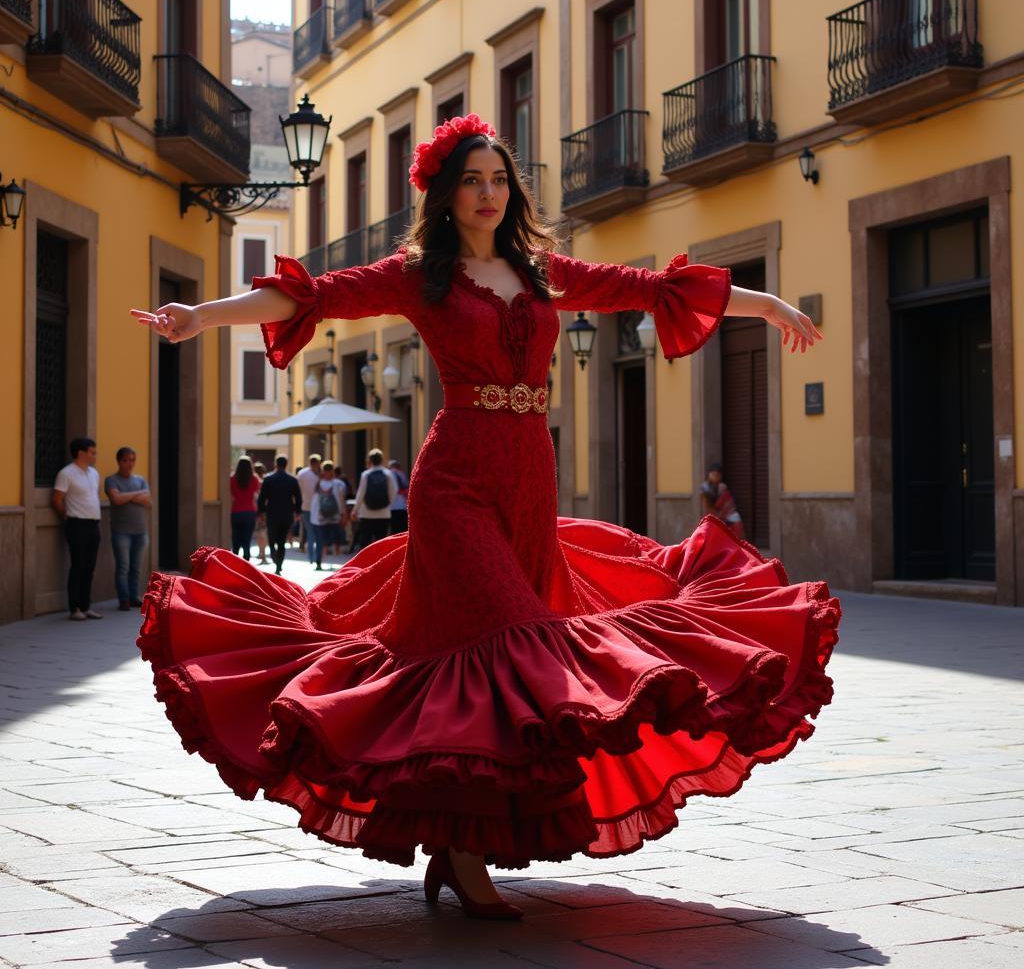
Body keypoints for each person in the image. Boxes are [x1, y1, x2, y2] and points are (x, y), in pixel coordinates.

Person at [132, 113, 836, 920]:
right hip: (457, 479)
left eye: (499, 179)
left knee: (494, 650)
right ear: (445, 192)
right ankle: (466, 857)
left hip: (530, 479)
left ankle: (458, 843)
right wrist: (200, 316)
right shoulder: (419, 275)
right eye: (472, 179)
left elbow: (647, 287)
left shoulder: (540, 271)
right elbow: (313, 296)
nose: (489, 193)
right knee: (511, 638)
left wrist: (767, 303)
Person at [53, 437, 103, 622]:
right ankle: (74, 608)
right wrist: (69, 517)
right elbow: (57, 500)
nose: (95, 455)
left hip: (93, 524)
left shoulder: (94, 473)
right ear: (81, 453)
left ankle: (85, 606)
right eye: (92, 452)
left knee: (89, 567)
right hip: (77, 524)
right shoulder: (66, 473)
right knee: (78, 565)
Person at [104, 446, 151, 611]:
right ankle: (123, 599)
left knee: (136, 567)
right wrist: (137, 494)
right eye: (125, 460)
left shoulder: (140, 479)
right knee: (123, 566)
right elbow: (116, 499)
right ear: (118, 461)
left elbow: (148, 502)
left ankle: (133, 597)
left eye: (132, 460)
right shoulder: (111, 480)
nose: (129, 463)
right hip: (121, 531)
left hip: (140, 531)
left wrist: (127, 496)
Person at [257, 456, 303, 574]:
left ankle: (274, 556)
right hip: (287, 514)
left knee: (272, 538)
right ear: (286, 464)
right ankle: (279, 564)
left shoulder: (268, 479)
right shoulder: (292, 480)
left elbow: (262, 498)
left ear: (275, 464)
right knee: (282, 540)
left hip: (272, 513)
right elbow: (298, 498)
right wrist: (298, 512)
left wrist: (260, 512)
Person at [350, 449, 397, 553]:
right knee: (381, 542)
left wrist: (355, 510)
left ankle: (366, 565)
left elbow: (360, 494)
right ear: (382, 460)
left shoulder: (366, 474)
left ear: (370, 461)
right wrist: (388, 502)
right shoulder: (388, 474)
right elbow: (394, 492)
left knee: (365, 542)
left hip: (366, 514)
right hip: (383, 513)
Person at [309, 459, 346, 571]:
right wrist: (344, 514)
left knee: (320, 540)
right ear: (333, 471)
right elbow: (341, 500)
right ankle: (337, 560)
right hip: (335, 516)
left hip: (320, 517)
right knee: (336, 538)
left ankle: (319, 561)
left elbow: (314, 500)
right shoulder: (339, 484)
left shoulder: (317, 484)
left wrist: (313, 515)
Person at [699, 462, 746, 540]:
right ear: (709, 475)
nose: (715, 477)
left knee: (736, 523)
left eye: (718, 475)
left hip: (725, 515)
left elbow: (727, 502)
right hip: (712, 515)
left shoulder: (722, 487)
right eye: (713, 474)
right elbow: (707, 505)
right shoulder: (704, 488)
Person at [229, 456, 260, 560]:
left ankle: (235, 560)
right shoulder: (255, 479)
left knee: (236, 539)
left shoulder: (232, 479)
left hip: (236, 511)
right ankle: (246, 560)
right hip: (250, 512)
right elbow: (256, 492)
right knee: (247, 539)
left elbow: (231, 494)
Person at [296, 454, 322, 563]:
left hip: (305, 506)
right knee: (317, 533)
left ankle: (311, 557)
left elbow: (297, 491)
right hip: (318, 508)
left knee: (310, 532)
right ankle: (315, 557)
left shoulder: (301, 474)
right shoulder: (321, 475)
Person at [252, 461, 270, 564]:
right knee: (263, 533)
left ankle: (261, 553)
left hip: (255, 510)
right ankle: (263, 554)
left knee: (259, 533)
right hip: (264, 511)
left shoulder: (253, 481)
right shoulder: (263, 482)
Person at [387, 458, 410, 534]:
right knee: (402, 529)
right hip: (403, 506)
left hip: (393, 506)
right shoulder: (402, 474)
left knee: (394, 530)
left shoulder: (389, 474)